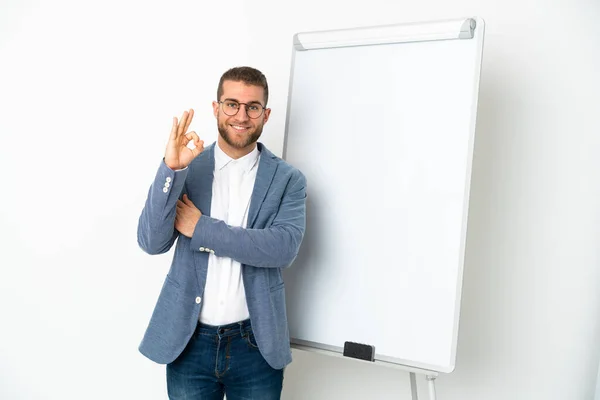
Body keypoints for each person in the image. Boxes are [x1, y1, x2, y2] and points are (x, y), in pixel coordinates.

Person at [137, 66, 307, 400]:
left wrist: (200, 228)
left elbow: (281, 248)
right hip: (189, 341)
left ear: (265, 114)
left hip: (256, 344)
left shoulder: (288, 179)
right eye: (231, 104)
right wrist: (171, 168)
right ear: (216, 108)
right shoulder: (189, 167)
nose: (241, 115)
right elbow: (151, 242)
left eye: (252, 107)